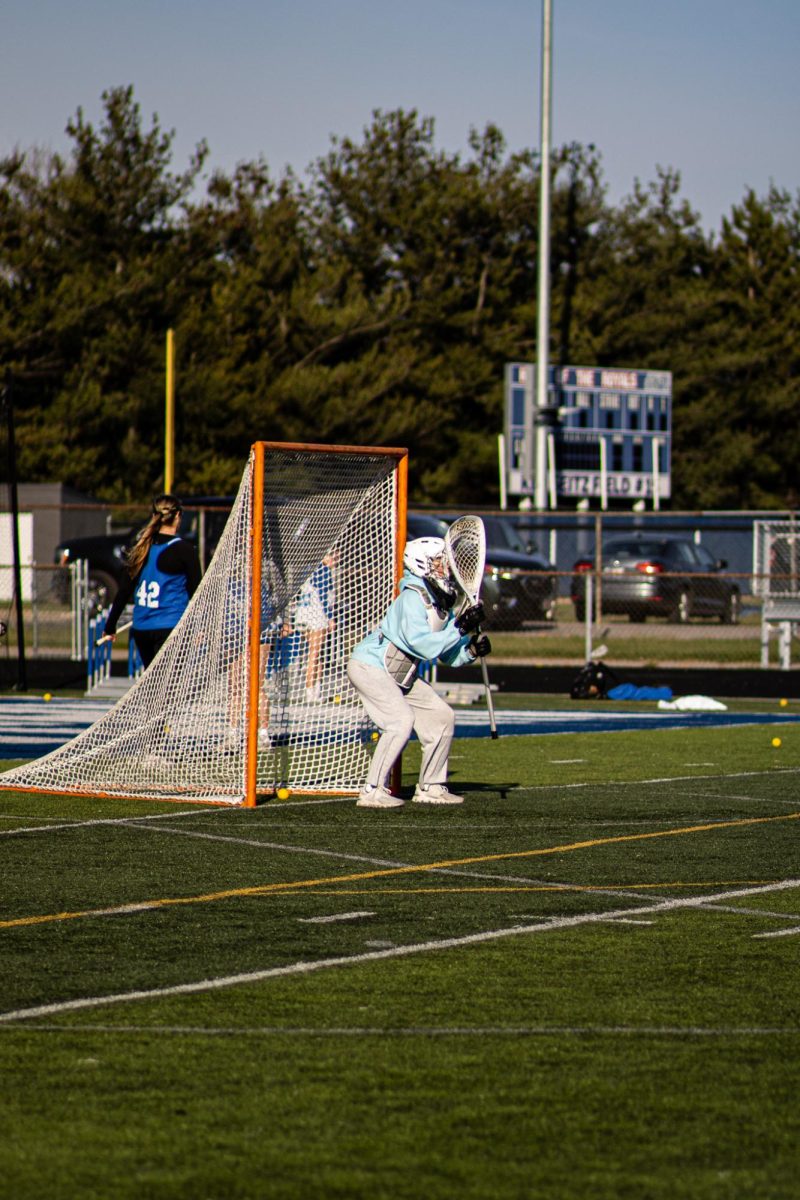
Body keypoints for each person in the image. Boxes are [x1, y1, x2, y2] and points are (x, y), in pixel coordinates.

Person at [347, 534, 491, 809]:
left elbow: (446, 653)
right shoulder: (413, 598)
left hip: (399, 673)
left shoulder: (439, 603)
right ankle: (372, 790)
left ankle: (431, 786)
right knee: (400, 721)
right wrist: (460, 627)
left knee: (441, 717)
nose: (445, 567)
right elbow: (422, 645)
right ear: (421, 564)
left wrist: (470, 650)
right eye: (438, 561)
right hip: (370, 666)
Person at [103, 494, 201, 669]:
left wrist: (110, 626)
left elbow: (124, 591)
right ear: (177, 516)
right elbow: (197, 592)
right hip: (171, 627)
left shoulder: (141, 547)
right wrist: (200, 628)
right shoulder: (184, 550)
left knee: (155, 687)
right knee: (169, 688)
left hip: (141, 630)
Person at [293, 550, 337, 702]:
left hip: (302, 614)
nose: (335, 560)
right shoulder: (324, 571)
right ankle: (310, 691)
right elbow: (323, 596)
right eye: (333, 556)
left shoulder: (308, 569)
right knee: (315, 653)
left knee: (317, 654)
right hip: (316, 615)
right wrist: (330, 618)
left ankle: (316, 690)